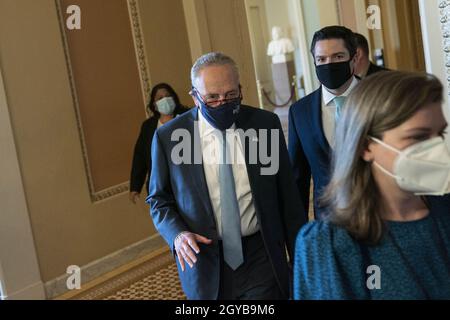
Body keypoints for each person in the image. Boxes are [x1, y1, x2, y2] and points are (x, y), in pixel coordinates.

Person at [147, 52, 306, 300]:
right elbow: (158, 199)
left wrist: (300, 259)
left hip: (260, 254)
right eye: (212, 98)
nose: (223, 103)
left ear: (240, 89)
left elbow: (286, 196)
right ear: (195, 97)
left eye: (231, 95)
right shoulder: (170, 137)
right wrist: (177, 235)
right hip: (204, 259)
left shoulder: (263, 125)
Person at [294, 71, 450, 300]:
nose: (436, 149)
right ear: (366, 146)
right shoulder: (328, 246)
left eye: (440, 135)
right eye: (418, 137)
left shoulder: (444, 214)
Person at [289, 26, 359, 220]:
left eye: (337, 57)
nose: (329, 64)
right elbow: (298, 178)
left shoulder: (380, 98)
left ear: (354, 59)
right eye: (321, 59)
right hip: (329, 221)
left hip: (381, 217)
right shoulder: (299, 112)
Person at [129, 83, 187, 204]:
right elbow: (140, 156)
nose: (165, 99)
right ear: (154, 105)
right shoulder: (148, 127)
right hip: (162, 188)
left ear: (174, 99)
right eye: (160, 98)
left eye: (167, 96)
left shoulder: (187, 118)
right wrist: (135, 186)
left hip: (187, 183)